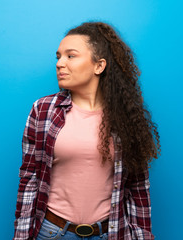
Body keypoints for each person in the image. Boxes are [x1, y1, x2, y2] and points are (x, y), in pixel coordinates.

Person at [13, 21, 161, 240]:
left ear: (99, 66)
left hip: (110, 233)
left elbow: (138, 188)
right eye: (58, 57)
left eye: (70, 56)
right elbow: (29, 179)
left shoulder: (126, 117)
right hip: (52, 232)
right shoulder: (43, 110)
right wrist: (21, 236)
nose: (60, 63)